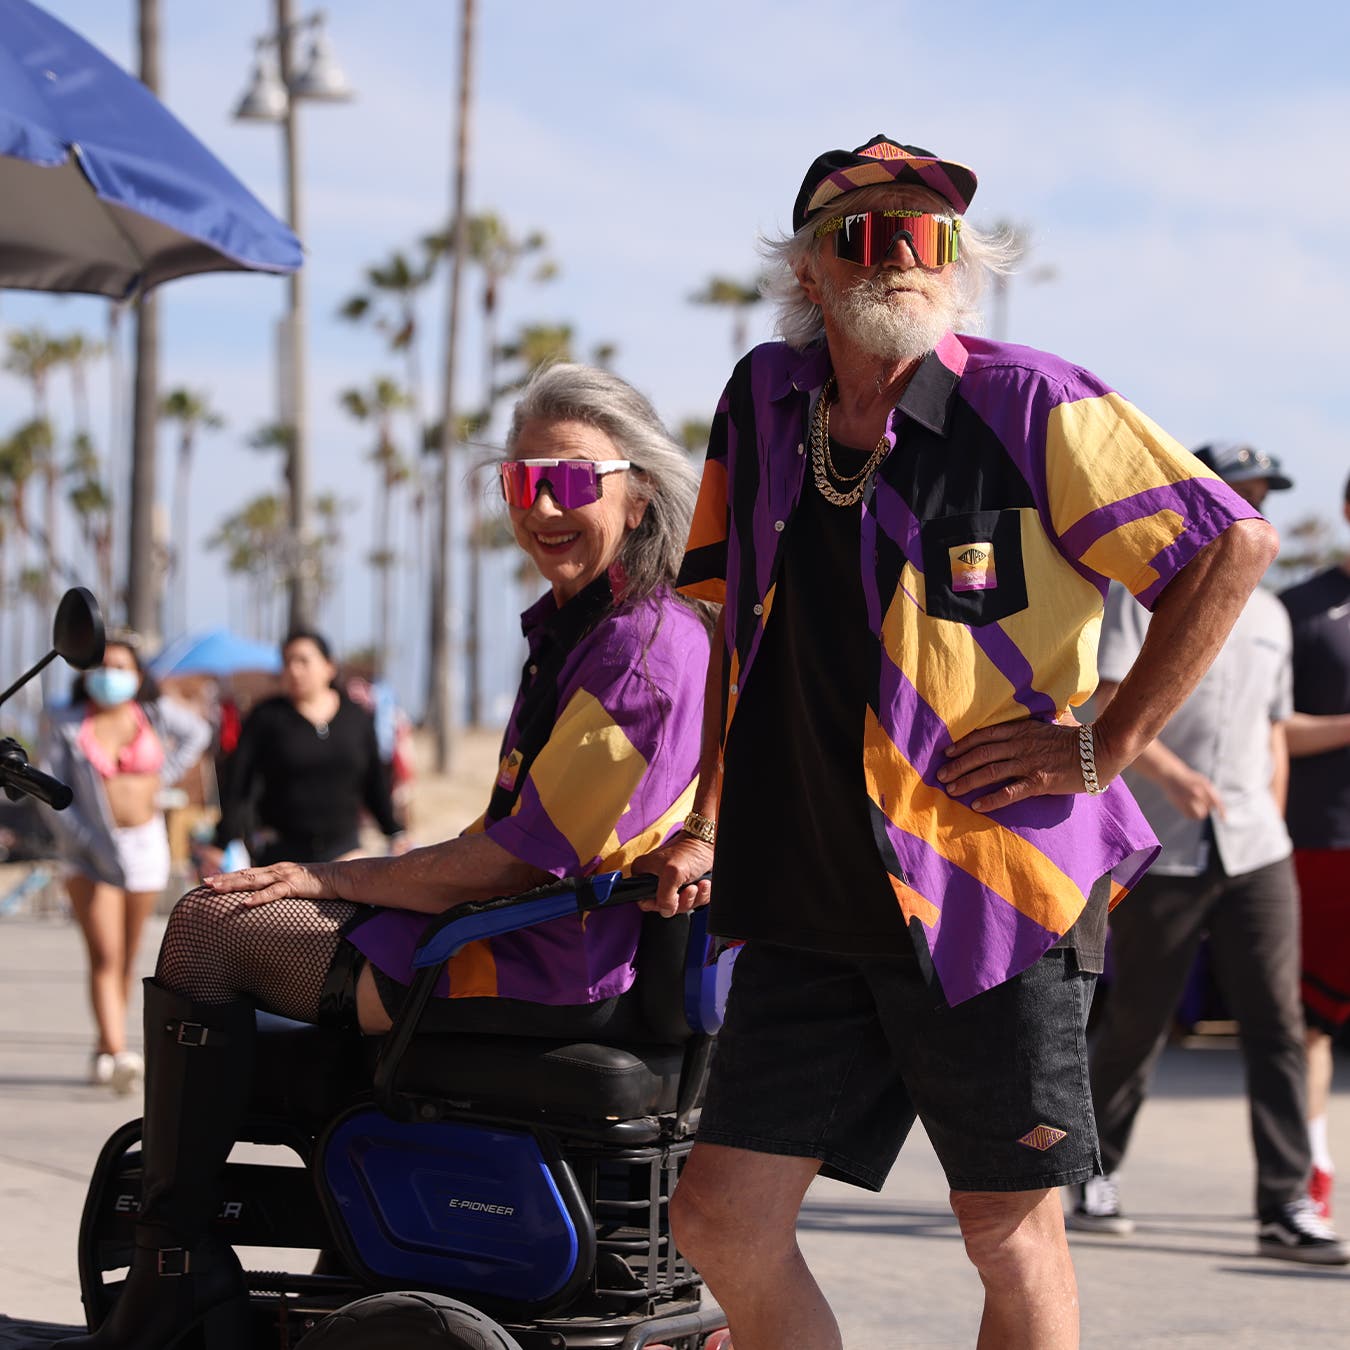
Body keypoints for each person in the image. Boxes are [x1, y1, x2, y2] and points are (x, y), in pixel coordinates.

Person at [638, 135, 1279, 1350]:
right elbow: (732, 636)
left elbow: (1229, 546)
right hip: (806, 891)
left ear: (959, 265)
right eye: (861, 233)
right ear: (809, 272)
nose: (898, 256)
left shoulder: (1027, 398)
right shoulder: (763, 406)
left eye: (926, 235)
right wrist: (707, 821)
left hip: (989, 892)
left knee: (1007, 1235)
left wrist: (1105, 741)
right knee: (719, 1218)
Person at [55, 364, 710, 1350]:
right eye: (519, 481)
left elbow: (518, 857)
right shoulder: (602, 628)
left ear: (640, 489)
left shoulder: (638, 649)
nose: (543, 506)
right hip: (541, 934)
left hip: (533, 955)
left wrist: (329, 876)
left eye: (573, 480)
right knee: (252, 946)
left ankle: (172, 1262)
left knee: (206, 923)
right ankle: (302, 1242)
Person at [1075, 445, 1346, 1263]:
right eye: (1239, 491)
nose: (1250, 504)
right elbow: (1108, 701)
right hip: (1167, 844)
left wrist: (1276, 815)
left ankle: (1288, 1202)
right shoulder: (1140, 593)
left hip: (1258, 848)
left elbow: (1273, 729)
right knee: (1136, 1023)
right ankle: (1096, 1172)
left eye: (1262, 494)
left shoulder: (1268, 615)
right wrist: (1175, 775)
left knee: (1278, 1022)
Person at [40, 633, 211, 1095]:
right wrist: (88, 841)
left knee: (129, 954)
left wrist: (163, 776)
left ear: (138, 676)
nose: (109, 676)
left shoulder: (152, 716)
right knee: (105, 952)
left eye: (120, 667)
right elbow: (51, 796)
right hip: (89, 851)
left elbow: (199, 731)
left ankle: (103, 1044)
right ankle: (117, 1051)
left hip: (145, 844)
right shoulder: (66, 722)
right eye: (101, 667)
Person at [1280, 470, 1350, 1221]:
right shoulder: (1297, 610)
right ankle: (1314, 1167)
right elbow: (1274, 729)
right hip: (1324, 841)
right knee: (1309, 1022)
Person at [204, 629, 407, 870]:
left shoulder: (355, 717)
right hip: (281, 854)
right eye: (288, 662)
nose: (294, 670)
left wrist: (394, 831)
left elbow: (374, 783)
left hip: (345, 852)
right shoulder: (266, 717)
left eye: (303, 661)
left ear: (329, 667)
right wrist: (221, 842)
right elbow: (238, 784)